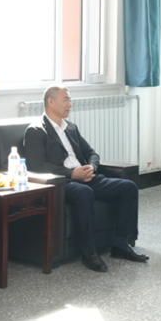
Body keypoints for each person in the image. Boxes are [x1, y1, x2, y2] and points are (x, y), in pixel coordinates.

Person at [24, 86, 148, 273]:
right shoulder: (36, 131)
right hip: (62, 183)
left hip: (86, 177)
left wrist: (92, 167)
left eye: (70, 100)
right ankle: (89, 253)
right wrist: (71, 173)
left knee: (128, 187)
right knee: (84, 192)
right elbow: (37, 166)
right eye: (66, 100)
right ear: (51, 101)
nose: (70, 104)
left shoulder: (71, 128)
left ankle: (121, 245)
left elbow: (92, 153)